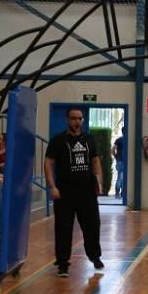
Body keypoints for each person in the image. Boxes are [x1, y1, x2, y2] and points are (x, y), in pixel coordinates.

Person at [45, 107, 103, 277]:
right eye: (73, 118)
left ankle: (95, 257)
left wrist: (99, 182)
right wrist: (52, 186)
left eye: (79, 118)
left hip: (86, 192)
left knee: (92, 225)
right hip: (65, 192)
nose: (77, 122)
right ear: (67, 120)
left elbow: (95, 161)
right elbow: (48, 163)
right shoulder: (58, 140)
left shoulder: (89, 139)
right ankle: (63, 263)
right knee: (63, 228)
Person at [112, 127, 126, 199]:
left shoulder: (118, 140)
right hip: (124, 161)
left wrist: (115, 156)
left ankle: (117, 194)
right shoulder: (128, 140)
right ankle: (122, 194)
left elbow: (113, 149)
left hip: (119, 160)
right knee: (123, 178)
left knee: (119, 177)